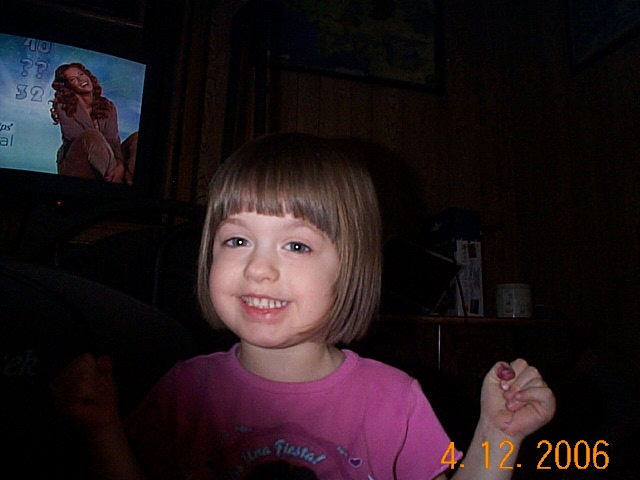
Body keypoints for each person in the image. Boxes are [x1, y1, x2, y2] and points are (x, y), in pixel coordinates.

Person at [52, 133, 556, 479]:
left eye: (296, 245)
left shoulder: (395, 401)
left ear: (351, 268)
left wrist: (498, 435)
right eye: (236, 241)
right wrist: (102, 429)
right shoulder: (182, 391)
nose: (258, 269)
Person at [49, 62, 135, 185]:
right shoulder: (64, 107)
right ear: (68, 87)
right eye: (73, 79)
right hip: (76, 164)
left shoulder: (108, 106)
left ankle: (129, 183)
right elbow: (81, 139)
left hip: (109, 160)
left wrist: (120, 166)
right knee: (92, 135)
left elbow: (113, 141)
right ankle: (116, 182)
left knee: (136, 138)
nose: (81, 79)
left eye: (81, 74)